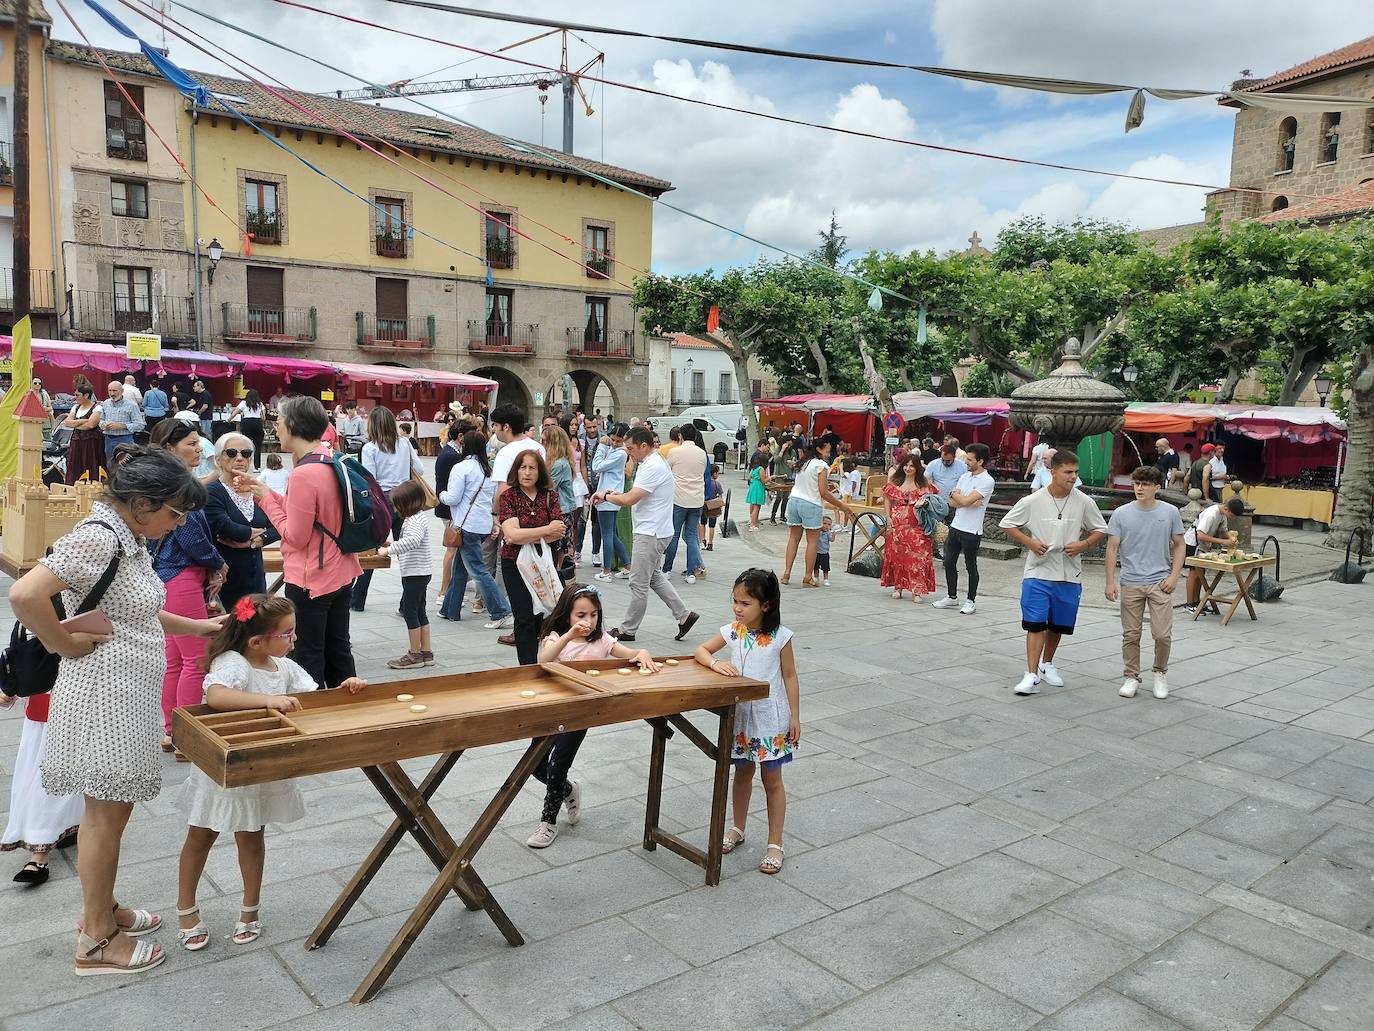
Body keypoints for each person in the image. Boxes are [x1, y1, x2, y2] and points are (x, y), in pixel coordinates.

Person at [7, 445, 221, 976]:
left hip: (125, 692)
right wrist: (60, 642)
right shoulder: (99, 538)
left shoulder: (128, 538)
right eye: (175, 512)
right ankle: (96, 941)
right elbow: (25, 593)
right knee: (105, 815)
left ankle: (99, 910)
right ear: (142, 504)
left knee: (111, 812)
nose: (178, 524)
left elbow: (137, 609)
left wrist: (198, 628)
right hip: (105, 694)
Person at [174, 594, 366, 951]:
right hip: (222, 766)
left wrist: (344, 691)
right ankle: (186, 909)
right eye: (287, 634)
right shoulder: (234, 661)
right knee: (201, 835)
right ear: (256, 641)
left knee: (251, 835)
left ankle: (250, 910)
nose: (293, 640)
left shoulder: (285, 669)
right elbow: (217, 695)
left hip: (259, 768)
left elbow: (312, 700)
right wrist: (268, 701)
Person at [239, 396, 363, 691]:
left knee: (307, 652)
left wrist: (266, 501)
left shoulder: (305, 473)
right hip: (341, 569)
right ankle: (349, 711)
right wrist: (267, 492)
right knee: (338, 648)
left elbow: (295, 535)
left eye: (279, 420)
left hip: (313, 578)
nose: (276, 426)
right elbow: (311, 515)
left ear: (293, 425)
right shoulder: (328, 459)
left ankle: (314, 716)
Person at [528, 585, 658, 848]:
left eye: (594, 614)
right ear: (567, 615)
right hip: (551, 707)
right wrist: (568, 636)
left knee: (557, 765)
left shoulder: (602, 640)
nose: (588, 621)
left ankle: (548, 822)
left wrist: (641, 653)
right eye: (581, 615)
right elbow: (544, 660)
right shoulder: (555, 638)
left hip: (581, 712)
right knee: (535, 765)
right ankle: (567, 789)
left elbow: (629, 654)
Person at [693, 569, 798, 876]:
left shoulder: (781, 637)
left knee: (772, 780)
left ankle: (775, 843)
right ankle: (737, 828)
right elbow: (701, 651)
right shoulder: (733, 631)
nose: (738, 608)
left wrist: (795, 716)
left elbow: (790, 677)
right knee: (741, 773)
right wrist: (716, 663)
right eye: (735, 601)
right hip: (741, 718)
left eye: (745, 603)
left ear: (765, 605)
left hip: (770, 720)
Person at [999, 448, 1109, 696]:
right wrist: (1029, 542)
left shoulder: (1084, 501)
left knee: (1058, 625)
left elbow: (1100, 529)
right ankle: (1030, 674)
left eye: (1075, 472)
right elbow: (1007, 523)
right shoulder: (1032, 500)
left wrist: (1084, 544)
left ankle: (1047, 663)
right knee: (1035, 624)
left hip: (1069, 574)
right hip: (1037, 572)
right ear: (1053, 472)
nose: (1073, 477)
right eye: (1068, 472)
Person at [151, 419, 230, 752]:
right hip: (180, 576)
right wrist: (218, 562)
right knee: (196, 658)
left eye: (199, 442)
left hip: (168, 576)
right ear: (170, 448)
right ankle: (185, 733)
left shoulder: (170, 480)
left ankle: (172, 730)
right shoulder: (177, 484)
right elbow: (190, 536)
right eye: (191, 443)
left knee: (176, 660)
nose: (199, 448)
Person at [591, 427, 700, 644]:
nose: (629, 453)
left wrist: (605, 495)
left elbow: (631, 499)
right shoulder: (652, 461)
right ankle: (684, 615)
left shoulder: (652, 466)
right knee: (653, 577)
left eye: (631, 449)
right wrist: (614, 495)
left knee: (638, 583)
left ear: (643, 446)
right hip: (655, 529)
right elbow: (635, 495)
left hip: (651, 532)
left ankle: (628, 629)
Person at [1105, 467, 1186, 701]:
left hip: (1160, 581)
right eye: (1137, 484)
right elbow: (1112, 548)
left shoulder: (1170, 512)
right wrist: (1110, 581)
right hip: (1130, 581)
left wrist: (1173, 576)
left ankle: (1160, 672)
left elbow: (1180, 544)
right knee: (1131, 635)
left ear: (1157, 488)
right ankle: (1131, 676)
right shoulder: (1121, 513)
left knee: (1162, 635)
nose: (1139, 488)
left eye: (1145, 484)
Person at [1, 692, 83, 885]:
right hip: (44, 701)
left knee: (70, 773)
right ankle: (41, 850)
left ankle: (57, 837)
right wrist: (11, 685)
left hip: (83, 701)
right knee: (40, 776)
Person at [497, 450, 567, 664]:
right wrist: (545, 530)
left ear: (540, 472)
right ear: (516, 470)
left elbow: (559, 531)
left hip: (544, 564)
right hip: (515, 564)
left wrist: (522, 535)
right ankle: (527, 667)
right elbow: (511, 535)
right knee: (524, 615)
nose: (526, 473)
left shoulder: (550, 496)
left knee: (544, 613)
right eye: (522, 467)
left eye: (532, 468)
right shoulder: (508, 497)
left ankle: (545, 660)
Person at [439, 429, 513, 627]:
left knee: (478, 570)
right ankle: (450, 609)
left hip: (466, 525)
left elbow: (453, 498)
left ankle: (501, 611)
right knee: (461, 568)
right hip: (482, 525)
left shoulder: (461, 468)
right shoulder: (487, 470)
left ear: (465, 446)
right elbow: (490, 500)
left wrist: (441, 495)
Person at [352, 406, 423, 612]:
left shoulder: (370, 448)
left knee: (372, 548)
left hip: (382, 499)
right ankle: (408, 604)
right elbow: (418, 468)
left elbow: (369, 479)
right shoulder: (405, 443)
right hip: (405, 498)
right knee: (406, 552)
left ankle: (358, 599)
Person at [204, 433, 279, 611]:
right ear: (218, 459)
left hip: (256, 577)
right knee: (232, 631)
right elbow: (227, 529)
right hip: (225, 579)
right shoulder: (212, 491)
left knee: (255, 627)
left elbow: (281, 524)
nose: (239, 458)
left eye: (245, 453)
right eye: (231, 453)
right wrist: (258, 532)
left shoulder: (257, 489)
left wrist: (256, 541)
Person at [779, 438, 852, 587]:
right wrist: (842, 506)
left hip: (794, 501)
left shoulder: (803, 463)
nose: (829, 451)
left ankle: (786, 573)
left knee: (793, 539)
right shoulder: (821, 466)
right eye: (827, 448)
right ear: (819, 449)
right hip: (811, 504)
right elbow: (824, 492)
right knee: (812, 542)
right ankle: (807, 576)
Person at [378, 481, 436, 669]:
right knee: (420, 612)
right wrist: (391, 544)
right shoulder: (419, 517)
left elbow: (413, 540)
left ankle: (415, 655)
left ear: (407, 504)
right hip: (421, 571)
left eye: (397, 505)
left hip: (415, 573)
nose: (395, 509)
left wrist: (389, 550)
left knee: (410, 613)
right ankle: (427, 653)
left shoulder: (413, 521)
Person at [933, 442, 993, 615]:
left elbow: (963, 501)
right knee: (949, 562)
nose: (966, 462)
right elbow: (952, 502)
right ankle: (952, 596)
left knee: (970, 565)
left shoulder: (987, 481)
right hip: (956, 526)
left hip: (972, 529)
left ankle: (970, 600)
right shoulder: (964, 477)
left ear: (980, 461)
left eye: (970, 459)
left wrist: (960, 497)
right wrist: (963, 499)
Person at [880, 455, 938, 601]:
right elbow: (887, 498)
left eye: (912, 466)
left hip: (918, 526)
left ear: (917, 468)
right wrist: (888, 518)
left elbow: (935, 500)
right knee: (897, 556)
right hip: (897, 525)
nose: (908, 468)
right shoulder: (895, 481)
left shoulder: (924, 484)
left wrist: (924, 503)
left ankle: (916, 591)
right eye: (906, 465)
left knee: (918, 558)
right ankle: (898, 587)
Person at [1184, 496, 1246, 613]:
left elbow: (1223, 531)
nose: (1231, 517)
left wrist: (1231, 539)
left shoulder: (1223, 514)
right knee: (1194, 573)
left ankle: (1198, 602)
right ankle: (1189, 603)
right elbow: (1200, 535)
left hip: (1204, 545)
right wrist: (1223, 542)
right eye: (1231, 515)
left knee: (1201, 574)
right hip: (1193, 543)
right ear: (1227, 509)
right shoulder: (1211, 514)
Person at [663, 423, 708, 582]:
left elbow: (667, 472)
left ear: (680, 435)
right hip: (696, 499)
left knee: (674, 534)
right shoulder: (702, 453)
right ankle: (690, 572)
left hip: (679, 498)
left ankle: (667, 569)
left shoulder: (675, 452)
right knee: (691, 537)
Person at [591, 423, 631, 580]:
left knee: (607, 534)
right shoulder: (618, 451)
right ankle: (627, 566)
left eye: (618, 441)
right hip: (610, 496)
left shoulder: (620, 453)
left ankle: (606, 571)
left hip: (607, 497)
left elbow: (596, 466)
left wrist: (601, 447)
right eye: (613, 440)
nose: (614, 443)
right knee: (612, 535)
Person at [433, 421, 463, 602]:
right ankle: (444, 591)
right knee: (452, 547)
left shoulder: (451, 452)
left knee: (454, 548)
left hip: (447, 506)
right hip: (448, 507)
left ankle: (449, 588)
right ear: (460, 436)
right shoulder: (452, 455)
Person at [542, 424, 578, 577]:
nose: (542, 444)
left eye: (544, 441)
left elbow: (548, 487)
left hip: (561, 511)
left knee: (559, 549)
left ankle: (557, 580)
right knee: (560, 548)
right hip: (562, 510)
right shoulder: (560, 462)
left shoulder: (559, 464)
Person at [62, 381, 105, 484]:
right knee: (75, 464)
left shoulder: (97, 408)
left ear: (86, 395)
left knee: (90, 464)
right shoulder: (75, 407)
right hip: (77, 441)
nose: (75, 397)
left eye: (77, 395)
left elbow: (90, 425)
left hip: (91, 443)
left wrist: (75, 424)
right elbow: (67, 423)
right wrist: (82, 421)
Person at [99, 380, 145, 464]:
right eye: (110, 390)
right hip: (108, 440)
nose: (112, 393)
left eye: (114, 390)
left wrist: (123, 426)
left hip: (125, 441)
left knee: (125, 467)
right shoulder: (105, 403)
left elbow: (140, 425)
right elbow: (101, 420)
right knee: (110, 465)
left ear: (122, 391)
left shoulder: (132, 405)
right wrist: (103, 425)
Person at [233, 390, 267, 469]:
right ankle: (257, 467)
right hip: (257, 422)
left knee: (245, 445)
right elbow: (263, 417)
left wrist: (229, 419)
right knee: (257, 446)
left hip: (246, 423)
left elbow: (235, 412)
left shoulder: (243, 403)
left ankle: (244, 465)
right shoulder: (260, 404)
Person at [745, 450, 771, 531]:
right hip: (758, 488)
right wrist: (771, 477)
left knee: (754, 505)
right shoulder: (761, 469)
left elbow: (749, 477)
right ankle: (753, 525)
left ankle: (754, 523)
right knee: (757, 507)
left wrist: (755, 479)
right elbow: (764, 480)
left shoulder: (754, 468)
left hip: (753, 486)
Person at [702, 463, 723, 551]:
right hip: (714, 506)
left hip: (704, 504)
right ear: (714, 474)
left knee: (702, 523)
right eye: (718, 473)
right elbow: (720, 495)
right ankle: (710, 543)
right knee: (712, 526)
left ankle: (702, 541)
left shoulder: (704, 483)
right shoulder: (717, 484)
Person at [813, 515, 835, 586]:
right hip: (816, 552)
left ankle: (826, 579)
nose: (826, 526)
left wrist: (833, 535)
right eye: (824, 523)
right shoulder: (817, 531)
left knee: (825, 568)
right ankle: (816, 577)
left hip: (825, 553)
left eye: (829, 524)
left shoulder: (828, 533)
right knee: (815, 567)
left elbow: (831, 540)